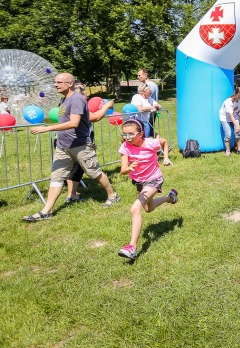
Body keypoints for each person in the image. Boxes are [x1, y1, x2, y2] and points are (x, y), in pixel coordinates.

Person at [24, 74, 119, 221]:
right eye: (55, 82)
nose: (56, 85)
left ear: (70, 84)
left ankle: (112, 195)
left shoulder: (76, 99)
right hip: (63, 146)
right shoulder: (64, 99)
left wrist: (47, 128)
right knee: (56, 177)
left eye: (59, 82)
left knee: (94, 172)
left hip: (80, 145)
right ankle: (47, 211)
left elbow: (74, 123)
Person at [117, 119, 176, 260]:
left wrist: (166, 158)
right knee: (149, 208)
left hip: (154, 179)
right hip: (140, 182)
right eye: (124, 134)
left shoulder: (150, 143)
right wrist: (129, 168)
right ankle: (170, 197)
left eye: (131, 134)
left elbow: (164, 142)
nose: (127, 137)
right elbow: (123, 170)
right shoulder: (125, 147)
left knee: (135, 209)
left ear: (141, 133)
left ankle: (132, 247)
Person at [65, 82, 115, 202]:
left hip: (71, 141)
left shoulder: (67, 102)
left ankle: (72, 195)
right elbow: (95, 117)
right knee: (92, 169)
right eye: (85, 94)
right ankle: (112, 195)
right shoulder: (77, 104)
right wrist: (107, 106)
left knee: (75, 168)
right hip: (77, 143)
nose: (87, 97)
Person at [219, 90, 240, 156]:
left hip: (235, 116)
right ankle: (228, 150)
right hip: (225, 118)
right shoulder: (228, 101)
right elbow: (231, 115)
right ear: (237, 94)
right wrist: (237, 126)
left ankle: (239, 148)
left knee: (238, 133)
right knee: (228, 134)